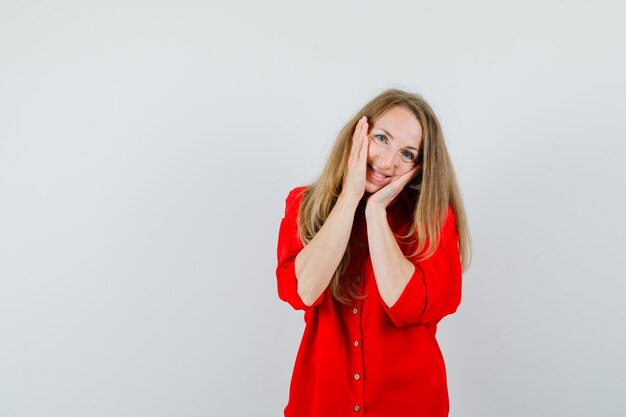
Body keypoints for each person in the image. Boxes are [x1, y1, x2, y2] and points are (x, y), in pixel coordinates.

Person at [275, 88, 471, 417]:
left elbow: (405, 306)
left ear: (421, 166)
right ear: (359, 133)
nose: (387, 161)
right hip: (323, 404)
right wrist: (349, 197)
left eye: (407, 154)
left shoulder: (434, 219)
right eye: (381, 138)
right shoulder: (304, 205)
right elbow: (302, 291)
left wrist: (376, 211)